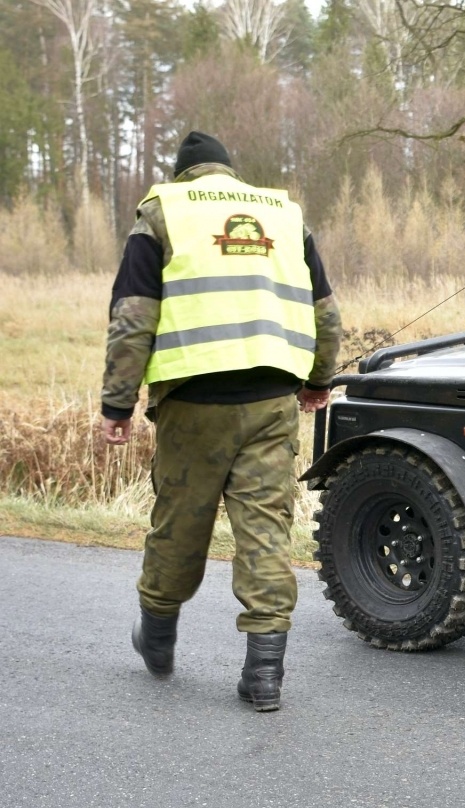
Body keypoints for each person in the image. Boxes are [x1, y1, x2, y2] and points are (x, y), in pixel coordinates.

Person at [102, 131, 342, 711]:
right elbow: (325, 314)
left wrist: (117, 403)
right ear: (230, 174)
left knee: (180, 524)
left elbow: (134, 317)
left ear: (184, 175)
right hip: (272, 400)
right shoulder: (284, 215)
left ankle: (157, 641)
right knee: (265, 529)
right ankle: (264, 675)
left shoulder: (163, 213)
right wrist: (318, 380)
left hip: (194, 402)